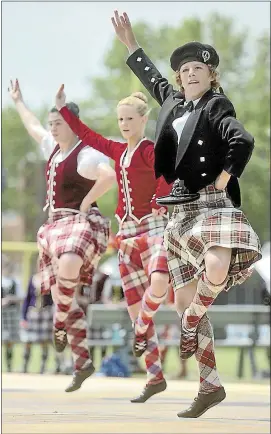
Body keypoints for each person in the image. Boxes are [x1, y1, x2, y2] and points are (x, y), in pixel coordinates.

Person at [111, 11, 262, 417]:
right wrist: (131, 45)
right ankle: (209, 385)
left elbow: (242, 139)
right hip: (178, 212)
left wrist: (224, 177)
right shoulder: (174, 101)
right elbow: (153, 80)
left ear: (212, 76)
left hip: (211, 204)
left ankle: (192, 324)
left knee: (215, 268)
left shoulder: (216, 104)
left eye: (198, 68)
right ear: (179, 79)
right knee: (181, 302)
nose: (190, 73)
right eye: (185, 70)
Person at [55, 84, 172, 402]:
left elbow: (166, 175)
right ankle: (154, 376)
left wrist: (162, 199)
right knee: (135, 310)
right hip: (126, 236)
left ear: (143, 120)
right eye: (120, 119)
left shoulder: (150, 150)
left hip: (153, 231)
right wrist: (65, 110)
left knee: (158, 285)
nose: (124, 125)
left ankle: (145, 322)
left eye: (130, 119)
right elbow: (91, 137)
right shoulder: (120, 151)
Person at [9, 79, 116, 392]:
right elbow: (32, 126)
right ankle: (82, 362)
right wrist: (18, 101)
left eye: (59, 122)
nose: (53, 128)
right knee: (61, 297)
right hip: (55, 226)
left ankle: (58, 323)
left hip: (80, 222)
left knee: (69, 263)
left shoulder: (87, 155)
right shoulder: (52, 149)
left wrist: (85, 202)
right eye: (51, 123)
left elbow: (108, 177)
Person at [20, 270, 54, 374]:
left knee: (45, 341)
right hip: (33, 313)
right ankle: (25, 365)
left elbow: (53, 299)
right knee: (27, 340)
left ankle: (43, 366)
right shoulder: (33, 279)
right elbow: (27, 299)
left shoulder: (51, 279)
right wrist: (23, 317)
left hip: (45, 313)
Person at [2, 255, 23, 372]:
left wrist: (11, 299)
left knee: (10, 340)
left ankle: (9, 364)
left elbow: (21, 297)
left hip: (11, 313)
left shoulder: (16, 282)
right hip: (1, 313)